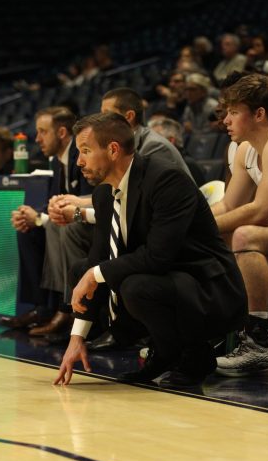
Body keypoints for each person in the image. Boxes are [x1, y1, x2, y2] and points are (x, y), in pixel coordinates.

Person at [54, 112, 247, 388]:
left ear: (112, 150)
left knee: (133, 286)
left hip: (208, 289)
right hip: (169, 281)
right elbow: (98, 258)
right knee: (83, 270)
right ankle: (165, 349)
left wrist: (94, 274)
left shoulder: (167, 179)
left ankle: (194, 354)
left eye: (85, 151)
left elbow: (159, 256)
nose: (79, 161)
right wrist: (76, 339)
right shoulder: (103, 194)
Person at [211, 73, 268, 377]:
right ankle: (206, 333)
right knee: (214, 234)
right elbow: (229, 205)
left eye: (233, 112)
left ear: (259, 114)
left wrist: (199, 227)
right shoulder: (246, 149)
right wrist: (189, 219)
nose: (225, 121)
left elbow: (261, 212)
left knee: (244, 234)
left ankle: (258, 345)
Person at [0, 106, 94, 333]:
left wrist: (41, 217)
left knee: (53, 226)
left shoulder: (78, 155)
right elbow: (55, 198)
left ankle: (65, 308)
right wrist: (31, 215)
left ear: (61, 133)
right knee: (28, 229)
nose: (37, 138)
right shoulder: (56, 161)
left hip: (87, 222)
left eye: (43, 132)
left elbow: (84, 198)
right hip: (71, 219)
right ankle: (41, 308)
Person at [148, 116, 206, 186]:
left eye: (155, 137)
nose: (149, 142)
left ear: (170, 140)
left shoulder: (189, 165)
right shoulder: (155, 163)